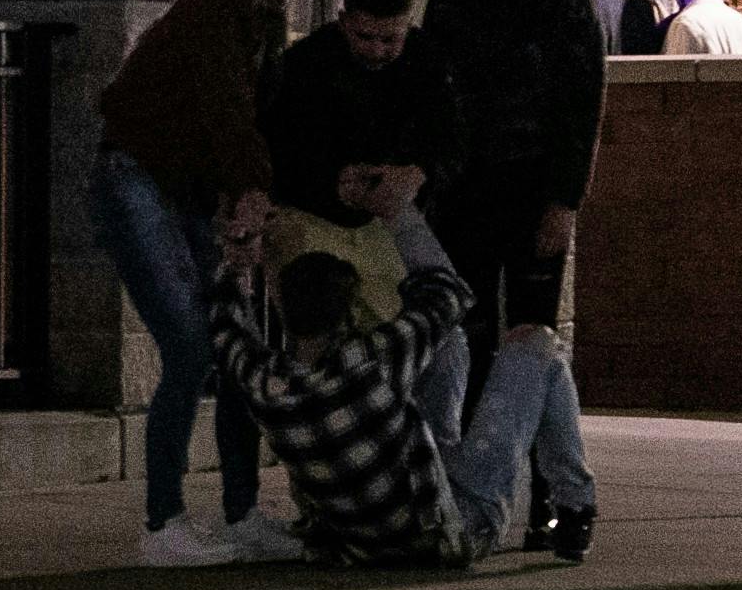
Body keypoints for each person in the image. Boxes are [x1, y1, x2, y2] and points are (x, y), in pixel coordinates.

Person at [92, 0, 311, 567]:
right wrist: (247, 196)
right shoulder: (214, 15)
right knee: (190, 348)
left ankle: (242, 513)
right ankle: (163, 522)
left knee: (230, 343)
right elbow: (226, 115)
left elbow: (257, 120)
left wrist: (250, 201)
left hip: (181, 188)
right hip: (137, 176)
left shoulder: (260, 26)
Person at [207, 229, 596, 567]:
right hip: (454, 531)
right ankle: (575, 505)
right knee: (537, 344)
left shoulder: (263, 382)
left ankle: (452, 474)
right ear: (346, 319)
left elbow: (225, 326)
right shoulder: (370, 360)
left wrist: (237, 264)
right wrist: (397, 208)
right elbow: (448, 292)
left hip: (360, 546)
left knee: (451, 345)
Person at [421, 0, 605, 549]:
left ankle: (557, 495)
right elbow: (435, 94)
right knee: (463, 344)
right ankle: (480, 489)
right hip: (464, 190)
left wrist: (564, 199)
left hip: (532, 187)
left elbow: (581, 104)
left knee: (531, 344)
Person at [263, 0, 461, 327]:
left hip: (388, 220)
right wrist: (332, 183)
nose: (375, 51)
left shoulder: (427, 60)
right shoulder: (306, 64)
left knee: (437, 328)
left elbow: (451, 137)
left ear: (408, 22)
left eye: (389, 40)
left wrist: (418, 173)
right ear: (343, 20)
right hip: (313, 219)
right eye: (364, 37)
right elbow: (278, 151)